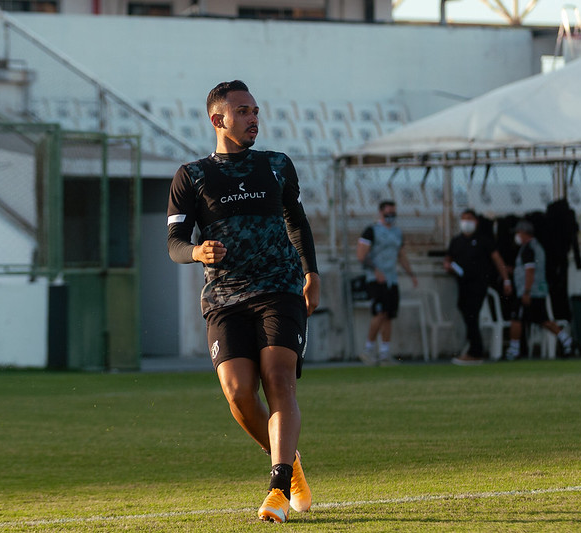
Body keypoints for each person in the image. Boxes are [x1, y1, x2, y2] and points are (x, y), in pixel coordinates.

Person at [166, 80, 319, 523]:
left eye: (256, 110)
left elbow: (297, 219)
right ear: (218, 120)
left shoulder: (276, 165)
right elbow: (174, 243)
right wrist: (197, 251)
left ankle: (276, 486)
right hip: (225, 297)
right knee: (237, 393)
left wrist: (311, 272)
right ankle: (290, 464)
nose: (254, 118)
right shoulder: (192, 176)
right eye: (243, 111)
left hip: (280, 288)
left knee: (279, 379)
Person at [443, 209, 512, 365]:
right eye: (463, 219)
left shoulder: (483, 240)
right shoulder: (457, 241)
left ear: (476, 221)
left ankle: (476, 351)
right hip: (462, 283)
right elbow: (448, 257)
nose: (466, 222)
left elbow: (497, 259)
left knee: (472, 315)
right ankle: (474, 348)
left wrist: (506, 279)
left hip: (479, 283)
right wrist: (448, 265)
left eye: (469, 219)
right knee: (466, 312)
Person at [356, 200, 418, 365]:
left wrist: (411, 274)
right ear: (381, 213)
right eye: (388, 213)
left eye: (393, 213)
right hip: (375, 280)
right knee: (379, 313)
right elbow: (362, 255)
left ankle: (384, 353)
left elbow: (401, 255)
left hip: (392, 279)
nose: (391, 216)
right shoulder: (371, 231)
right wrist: (376, 270)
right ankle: (368, 349)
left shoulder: (397, 232)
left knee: (389, 315)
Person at [505, 220, 573, 360]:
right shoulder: (537, 247)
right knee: (543, 320)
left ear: (524, 233)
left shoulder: (528, 248)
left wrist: (526, 292)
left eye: (518, 233)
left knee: (516, 319)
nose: (517, 236)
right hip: (538, 291)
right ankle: (566, 340)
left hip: (529, 291)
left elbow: (530, 271)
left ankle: (513, 350)